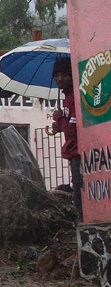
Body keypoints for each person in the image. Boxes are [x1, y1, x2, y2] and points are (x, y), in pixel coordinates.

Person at [51, 57, 81, 218]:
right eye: (56, 75)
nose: (59, 79)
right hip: (74, 154)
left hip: (79, 154)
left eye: (64, 75)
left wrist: (59, 119)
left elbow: (72, 131)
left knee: (80, 198)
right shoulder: (67, 97)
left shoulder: (75, 97)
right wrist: (60, 123)